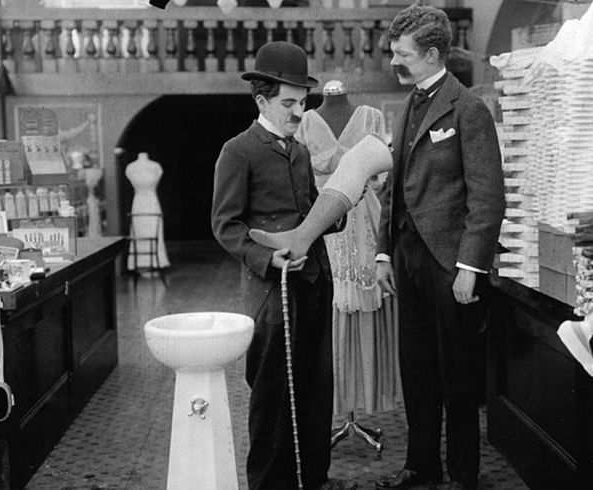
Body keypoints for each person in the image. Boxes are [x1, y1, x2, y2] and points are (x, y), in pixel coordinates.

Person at [374, 4, 506, 490]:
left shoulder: (468, 109)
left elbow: (488, 196)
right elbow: (394, 187)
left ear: (432, 54)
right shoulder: (408, 105)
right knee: (416, 370)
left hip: (451, 265)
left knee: (458, 377)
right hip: (407, 259)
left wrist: (471, 266)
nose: (394, 61)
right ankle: (420, 466)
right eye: (393, 52)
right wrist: (384, 252)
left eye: (403, 54)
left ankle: (464, 475)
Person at [210, 41, 350, 490]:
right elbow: (226, 225)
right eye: (288, 103)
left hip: (314, 283)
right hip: (272, 293)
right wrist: (266, 258)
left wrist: (340, 209)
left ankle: (314, 480)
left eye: (302, 102)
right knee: (273, 395)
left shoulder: (301, 151)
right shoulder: (239, 151)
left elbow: (310, 210)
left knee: (316, 388)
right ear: (262, 101)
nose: (298, 112)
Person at [295, 80, 401, 444]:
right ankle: (336, 399)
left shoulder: (370, 117)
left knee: (366, 306)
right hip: (326, 219)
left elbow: (384, 175)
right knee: (331, 307)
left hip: (366, 218)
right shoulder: (306, 122)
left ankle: (364, 397)